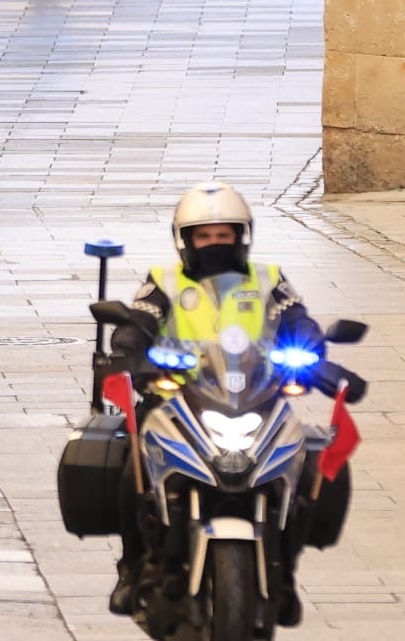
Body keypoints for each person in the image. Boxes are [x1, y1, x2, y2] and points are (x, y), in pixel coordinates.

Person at [106, 182, 322, 624]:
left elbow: (298, 319)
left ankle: (285, 572)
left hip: (256, 398)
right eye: (203, 236)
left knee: (309, 468)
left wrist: (310, 348)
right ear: (185, 240)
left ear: (242, 236)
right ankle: (131, 566)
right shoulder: (164, 281)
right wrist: (131, 352)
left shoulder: (270, 279)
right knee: (131, 467)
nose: (214, 243)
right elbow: (138, 322)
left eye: (224, 234)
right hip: (177, 398)